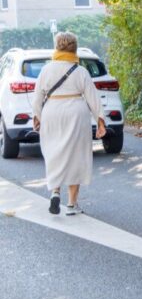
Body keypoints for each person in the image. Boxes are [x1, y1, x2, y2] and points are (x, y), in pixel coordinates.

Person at [32, 32, 107, 215]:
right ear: (75, 48)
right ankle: (72, 204)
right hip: (76, 112)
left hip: (52, 112)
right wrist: (100, 120)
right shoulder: (80, 71)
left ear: (57, 47)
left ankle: (55, 192)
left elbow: (37, 96)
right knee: (76, 155)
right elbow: (92, 97)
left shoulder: (46, 70)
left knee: (53, 152)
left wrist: (37, 117)